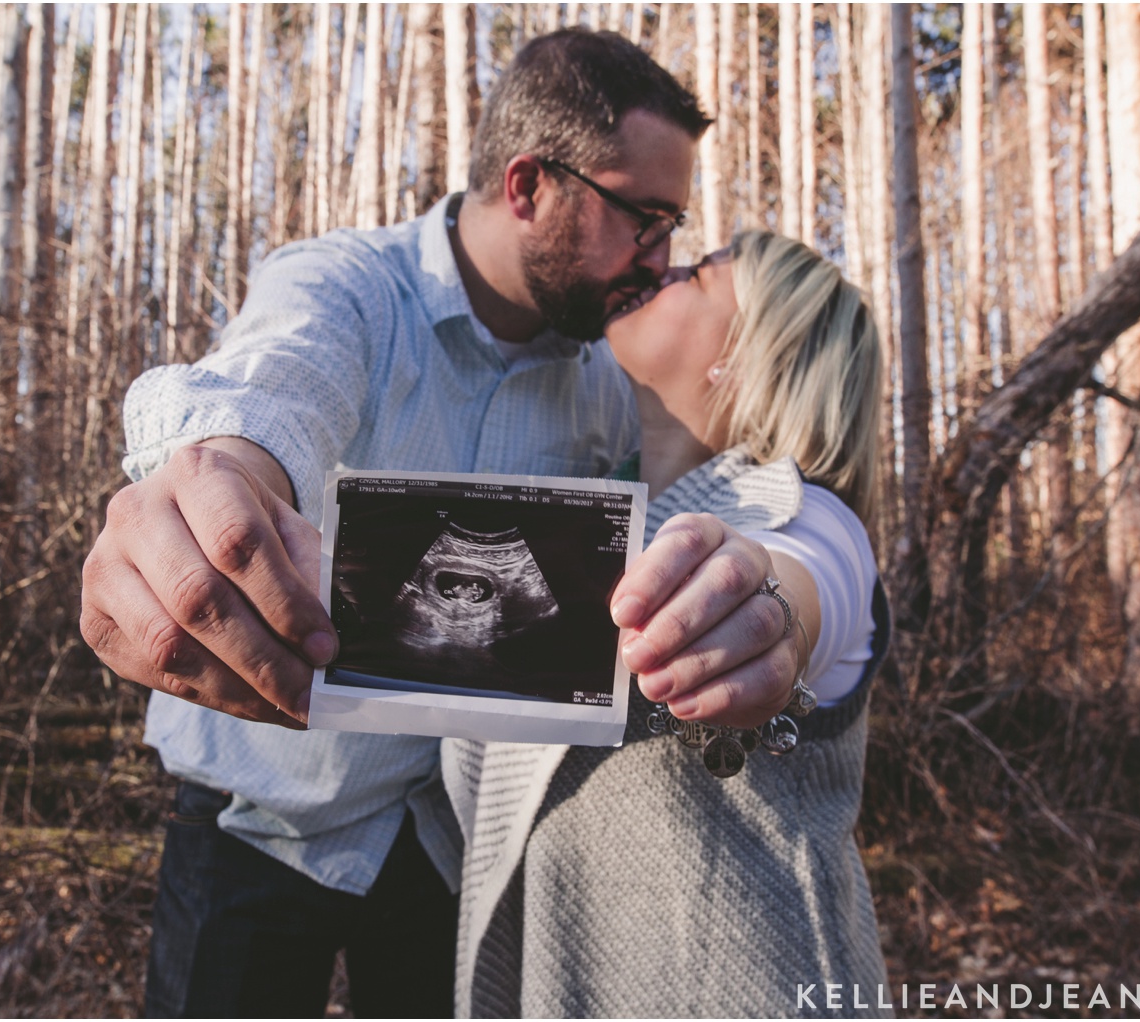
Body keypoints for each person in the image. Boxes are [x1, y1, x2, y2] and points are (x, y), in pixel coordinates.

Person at [81, 30, 809, 1017]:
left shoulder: (605, 382)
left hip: (442, 847)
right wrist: (217, 471)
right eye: (644, 218)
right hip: (258, 824)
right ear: (527, 186)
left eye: (671, 226)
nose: (659, 257)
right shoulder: (345, 286)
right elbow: (265, 390)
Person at [448, 231, 891, 1017]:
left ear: (749, 354)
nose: (659, 266)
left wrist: (764, 616)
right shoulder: (576, 515)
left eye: (696, 273)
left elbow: (796, 579)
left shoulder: (810, 519)